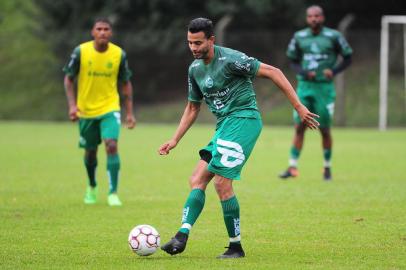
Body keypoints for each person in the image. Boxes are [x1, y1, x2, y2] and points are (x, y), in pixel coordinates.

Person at [158, 17, 319, 259]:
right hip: (224, 126)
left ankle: (235, 247)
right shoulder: (194, 69)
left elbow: (274, 72)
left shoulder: (231, 59)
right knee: (197, 179)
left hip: (244, 121)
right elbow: (192, 108)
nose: (193, 48)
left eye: (198, 43)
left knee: (222, 183)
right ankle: (181, 236)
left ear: (212, 40)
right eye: (190, 43)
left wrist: (299, 107)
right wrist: (175, 140)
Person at [63, 18, 136, 206]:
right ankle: (92, 185)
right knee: (90, 152)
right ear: (93, 32)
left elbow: (126, 83)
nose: (103, 32)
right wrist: (72, 106)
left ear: (110, 33)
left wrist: (129, 113)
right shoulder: (81, 52)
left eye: (106, 29)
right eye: (99, 29)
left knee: (111, 145)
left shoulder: (119, 54)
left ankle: (113, 193)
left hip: (110, 108)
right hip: (86, 111)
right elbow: (69, 79)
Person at [279, 5, 353, 181]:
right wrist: (303, 73)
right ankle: (292, 167)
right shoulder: (299, 36)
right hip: (305, 88)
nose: (314, 19)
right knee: (299, 127)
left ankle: (327, 168)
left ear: (323, 17)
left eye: (317, 16)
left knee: (325, 129)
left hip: (324, 89)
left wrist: (333, 71)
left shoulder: (333, 36)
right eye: (310, 16)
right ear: (307, 18)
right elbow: (292, 60)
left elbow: (348, 57)